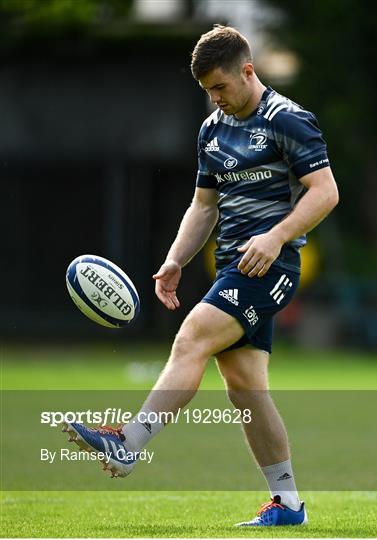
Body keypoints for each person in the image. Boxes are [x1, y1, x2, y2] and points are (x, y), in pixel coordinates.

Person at [64, 25, 339, 527]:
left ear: (248, 71)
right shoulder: (212, 128)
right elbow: (203, 205)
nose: (215, 99)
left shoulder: (290, 120)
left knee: (190, 338)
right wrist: (175, 260)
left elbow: (325, 192)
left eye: (221, 87)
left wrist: (276, 236)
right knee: (245, 389)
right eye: (207, 91)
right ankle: (289, 505)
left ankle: (128, 443)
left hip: (270, 266)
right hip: (234, 265)